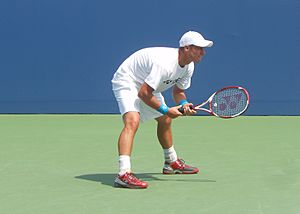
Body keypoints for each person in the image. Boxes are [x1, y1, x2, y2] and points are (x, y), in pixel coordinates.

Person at [111, 31, 213, 189]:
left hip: (148, 83)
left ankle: (171, 162)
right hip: (128, 79)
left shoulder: (189, 66)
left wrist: (184, 104)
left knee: (165, 120)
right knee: (133, 121)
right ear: (186, 48)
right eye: (199, 48)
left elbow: (178, 92)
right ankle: (123, 174)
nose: (203, 52)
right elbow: (144, 93)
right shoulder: (165, 63)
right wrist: (166, 110)